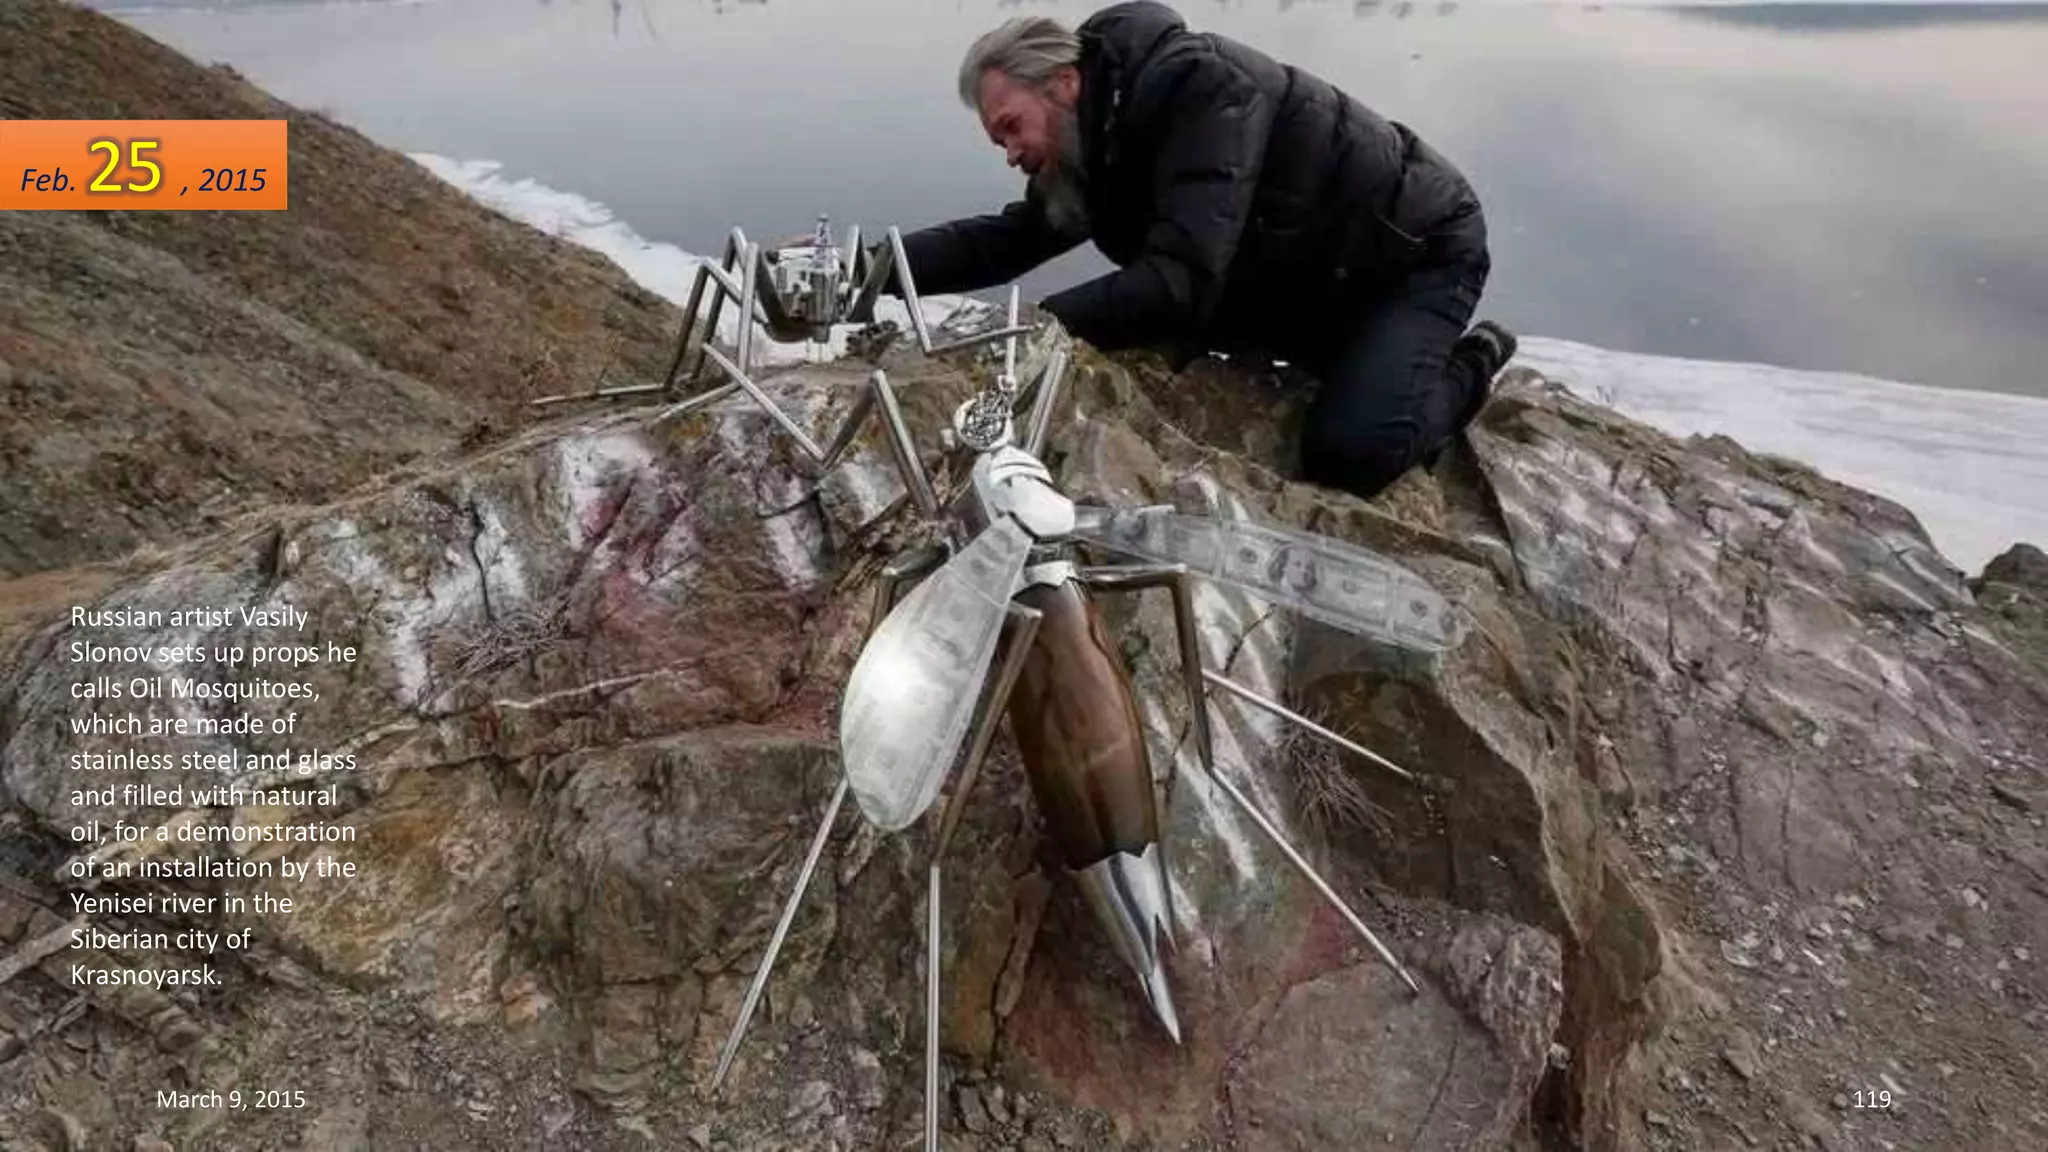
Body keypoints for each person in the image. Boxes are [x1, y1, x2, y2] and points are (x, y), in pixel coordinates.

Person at [890, 1, 1517, 500]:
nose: (1010, 153)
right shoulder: (1092, 143)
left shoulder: (1204, 89)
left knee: (1352, 453)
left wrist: (1042, 326)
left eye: (1010, 126)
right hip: (1316, 278)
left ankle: (1474, 361)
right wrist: (870, 269)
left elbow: (1181, 278)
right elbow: (1007, 240)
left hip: (1415, 254)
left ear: (1063, 84)